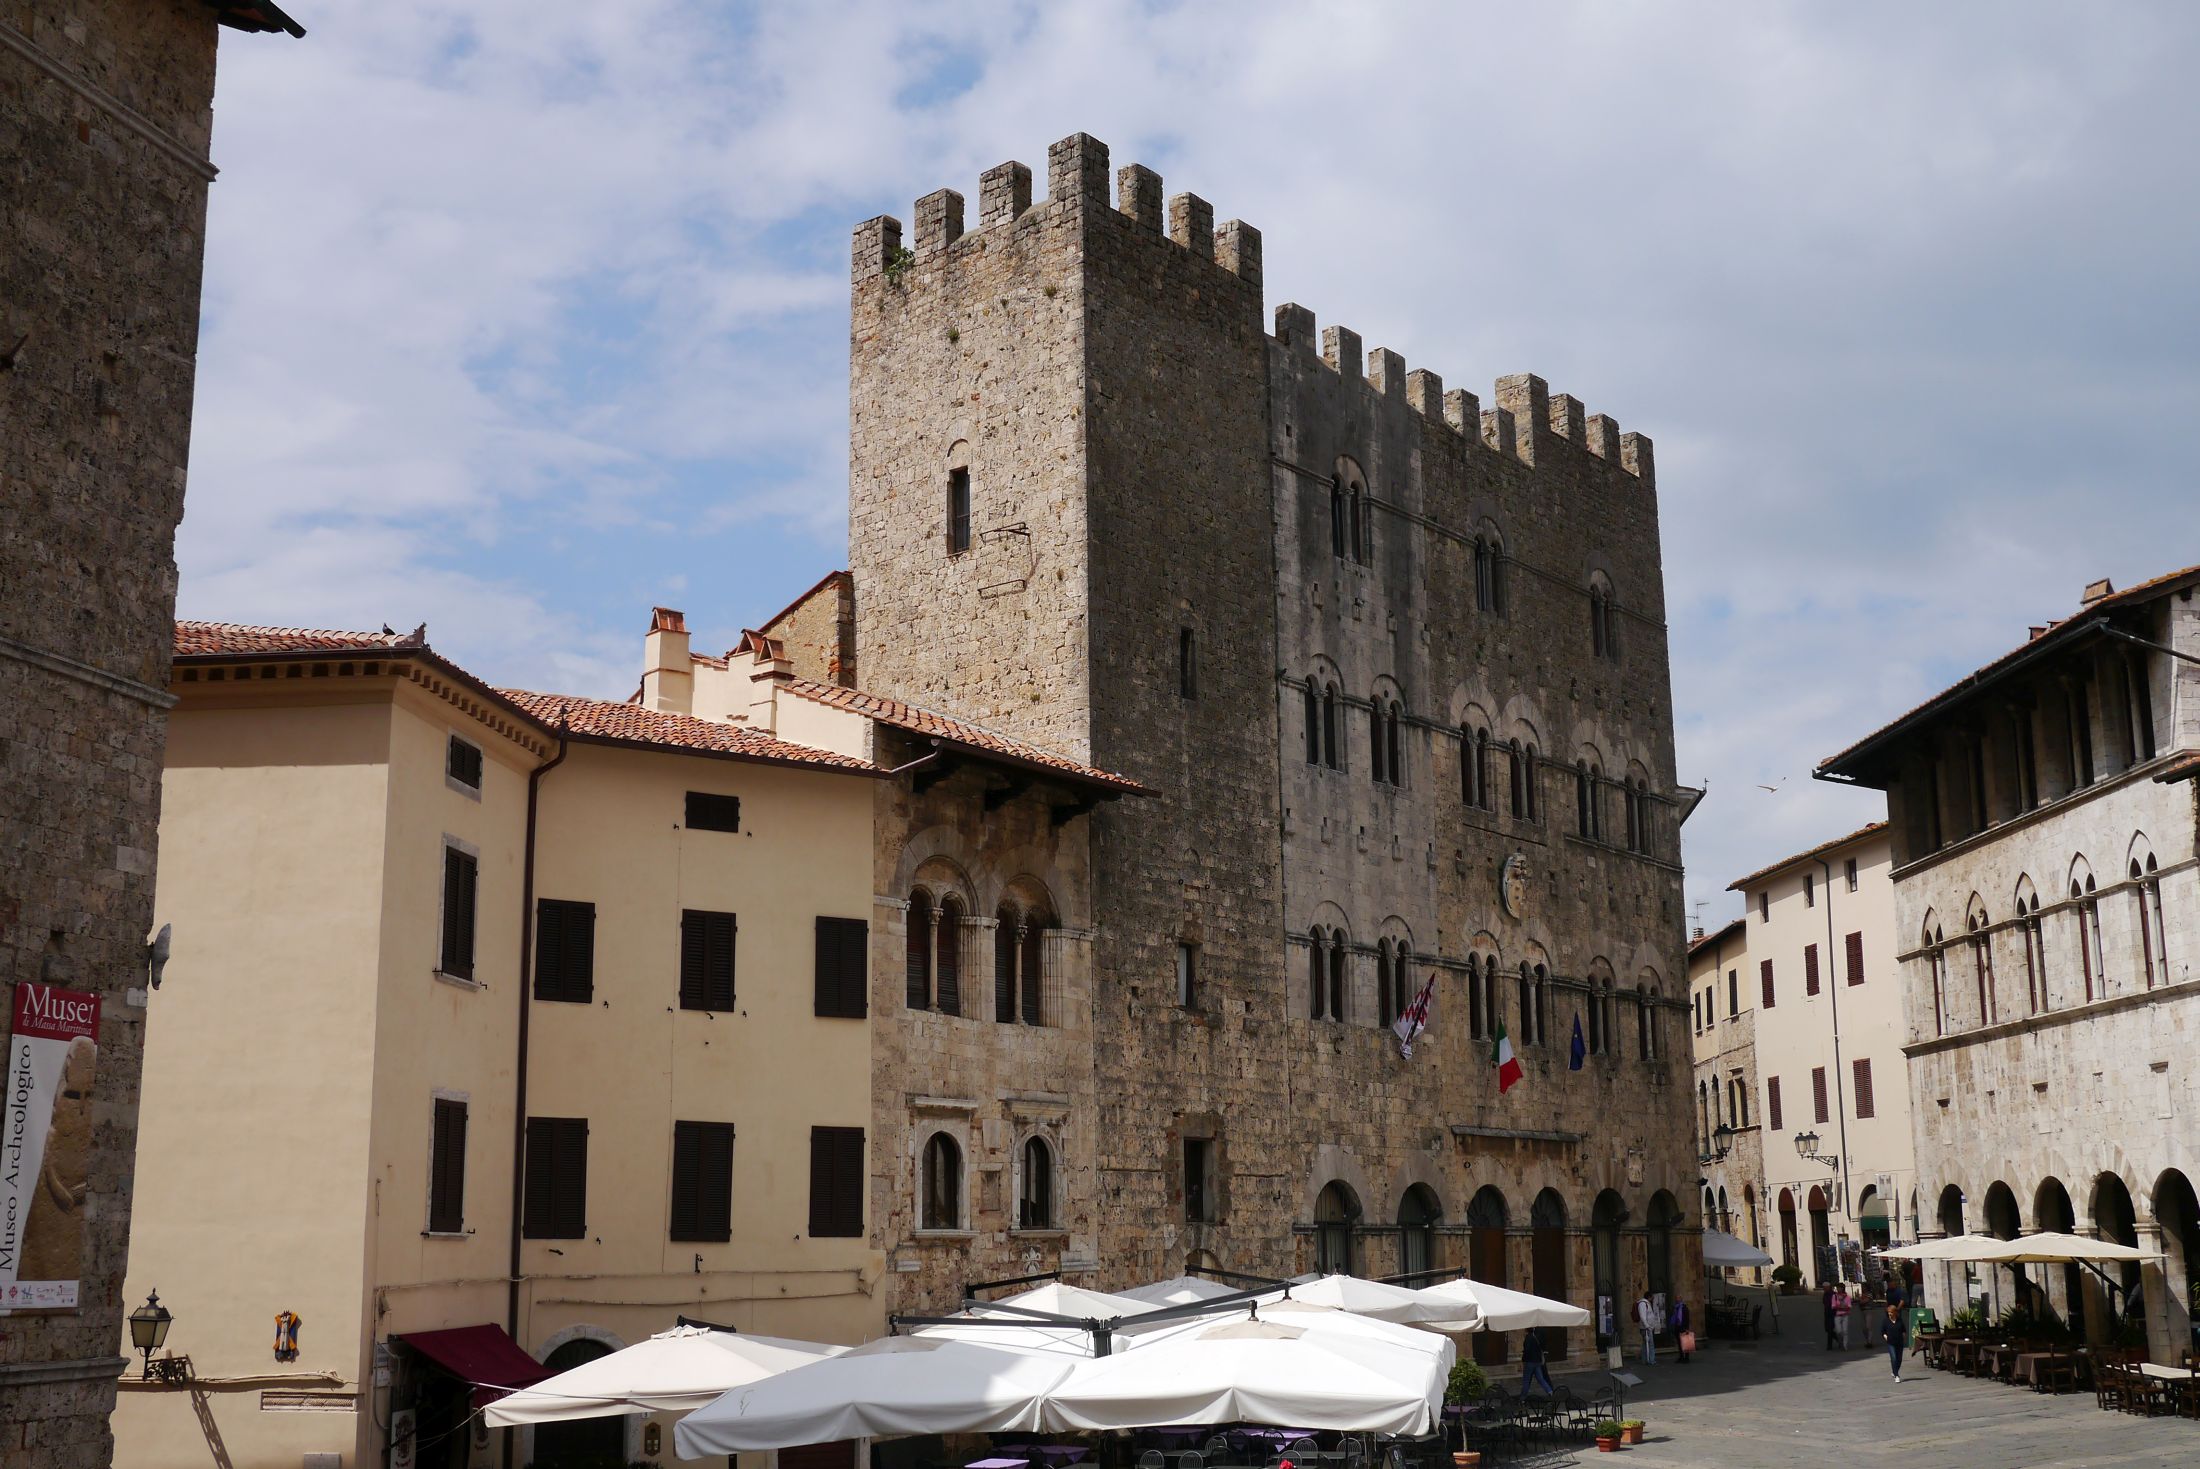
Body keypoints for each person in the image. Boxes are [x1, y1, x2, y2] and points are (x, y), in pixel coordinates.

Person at [1521, 1325, 1556, 1395]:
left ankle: (1522, 1398)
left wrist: (1523, 1359)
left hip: (1530, 1361)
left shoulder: (1528, 1337)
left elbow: (1527, 1350)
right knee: (1541, 1379)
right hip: (1537, 1361)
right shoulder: (1536, 1336)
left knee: (1526, 1380)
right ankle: (1550, 1391)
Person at [1881, 1299, 1908, 1382]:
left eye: (1891, 1312)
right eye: (1889, 1312)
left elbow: (1903, 1330)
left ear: (1895, 1312)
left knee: (1899, 1359)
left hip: (1899, 1342)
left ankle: (1894, 1371)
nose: (1890, 1314)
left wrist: (1904, 1338)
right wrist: (1886, 1337)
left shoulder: (1900, 1320)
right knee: (1894, 1358)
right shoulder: (1886, 1321)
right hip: (1891, 1342)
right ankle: (1896, 1375)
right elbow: (1883, 1331)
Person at [1635, 1290, 1660, 1365]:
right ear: (1649, 1297)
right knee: (1650, 1344)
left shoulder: (1646, 1303)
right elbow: (1643, 1316)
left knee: (1646, 1344)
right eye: (1652, 1297)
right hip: (1646, 1329)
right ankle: (1651, 1360)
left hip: (1647, 1327)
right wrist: (1647, 1326)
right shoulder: (1643, 1304)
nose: (1653, 1298)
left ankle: (1645, 1360)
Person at [1669, 1296, 1692, 1363]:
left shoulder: (1684, 1308)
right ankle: (1681, 1357)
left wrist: (1687, 1328)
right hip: (1677, 1327)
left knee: (1686, 1342)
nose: (1676, 1299)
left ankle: (1687, 1358)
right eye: (1676, 1298)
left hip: (1683, 1327)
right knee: (1679, 1343)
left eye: (1678, 1298)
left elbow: (1687, 1318)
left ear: (1681, 1299)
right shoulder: (1675, 1307)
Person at [1833, 1284, 1853, 1349]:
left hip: (1845, 1315)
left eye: (1840, 1288)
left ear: (1843, 1289)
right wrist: (1841, 1307)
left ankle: (1845, 1345)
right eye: (1838, 1288)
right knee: (1838, 1331)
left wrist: (1842, 1307)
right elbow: (1833, 1306)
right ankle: (1840, 1341)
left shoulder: (1847, 1297)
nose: (1839, 1289)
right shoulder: (1834, 1296)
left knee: (1845, 1331)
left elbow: (1849, 1306)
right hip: (1837, 1315)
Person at [1822, 1283, 1839, 1351]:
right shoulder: (1825, 1294)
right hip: (1827, 1313)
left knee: (1829, 1329)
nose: (1824, 1289)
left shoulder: (1834, 1294)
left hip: (1833, 1313)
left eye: (1825, 1287)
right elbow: (1824, 1302)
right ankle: (1838, 1339)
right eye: (1823, 1288)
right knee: (1827, 1329)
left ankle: (1829, 1345)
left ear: (1829, 1287)